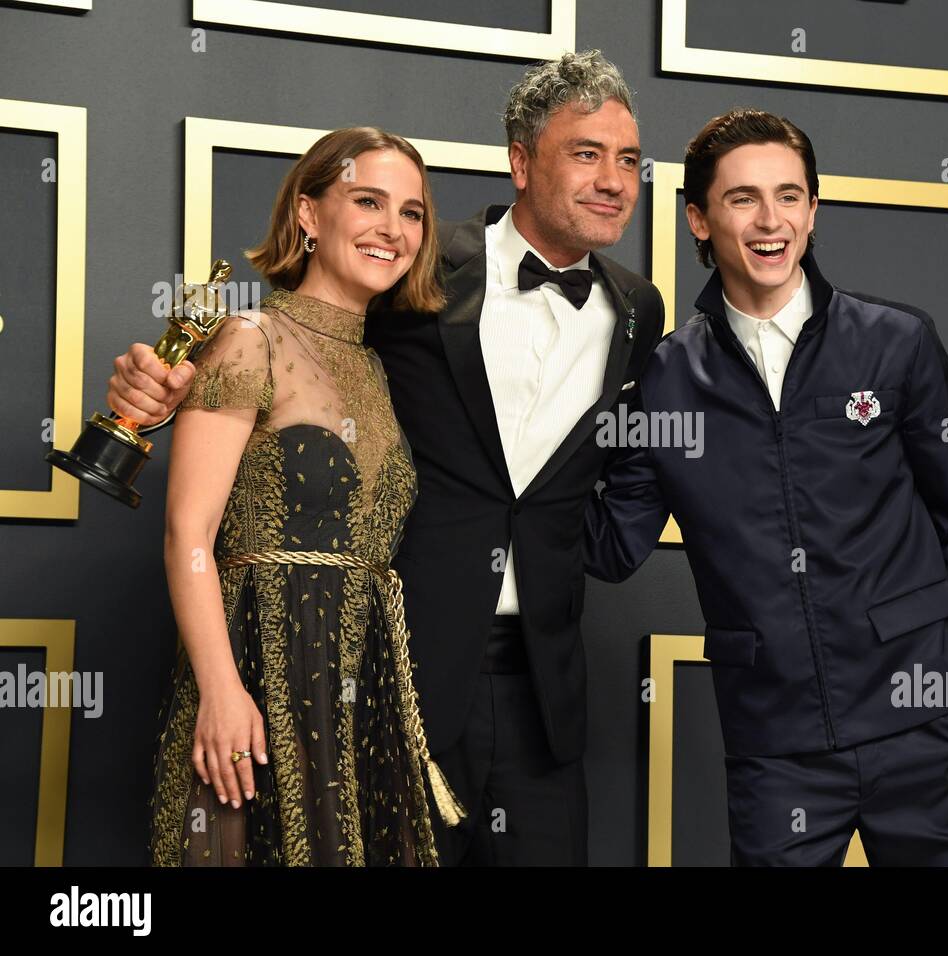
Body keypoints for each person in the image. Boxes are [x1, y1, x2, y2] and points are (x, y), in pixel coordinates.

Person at [107, 52, 665, 866]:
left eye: (627, 160)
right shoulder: (422, 281)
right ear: (521, 161)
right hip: (394, 677)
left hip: (541, 684)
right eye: (586, 153)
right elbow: (247, 377)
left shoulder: (636, 308)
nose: (613, 179)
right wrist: (149, 395)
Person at [584, 109, 948, 865]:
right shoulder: (662, 379)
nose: (770, 220)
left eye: (789, 196)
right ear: (698, 218)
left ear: (813, 212)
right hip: (775, 741)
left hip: (921, 722)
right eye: (743, 198)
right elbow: (614, 544)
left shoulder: (897, 345)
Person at [145, 126, 465, 866]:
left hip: (369, 682)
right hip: (258, 669)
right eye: (368, 201)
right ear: (310, 215)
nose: (393, 228)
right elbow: (187, 533)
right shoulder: (247, 338)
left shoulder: (385, 371)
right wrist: (221, 690)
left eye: (412, 212)